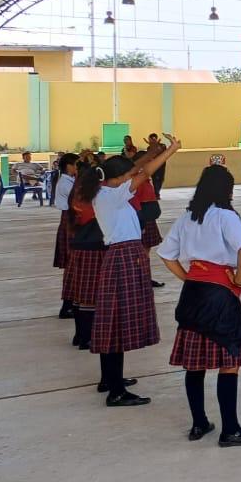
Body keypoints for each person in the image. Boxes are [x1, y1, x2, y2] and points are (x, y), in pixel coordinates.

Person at [157, 165, 241, 446]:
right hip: (220, 296)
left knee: (195, 364)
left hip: (193, 293)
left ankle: (199, 423)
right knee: (229, 362)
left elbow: (166, 255)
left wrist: (189, 278)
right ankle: (230, 429)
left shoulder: (187, 217)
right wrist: (239, 278)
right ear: (226, 190)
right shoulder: (226, 216)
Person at [78, 134, 182, 406]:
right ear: (119, 177)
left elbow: (138, 166)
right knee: (117, 323)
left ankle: (110, 380)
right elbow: (145, 170)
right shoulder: (111, 195)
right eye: (128, 173)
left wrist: (152, 151)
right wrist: (171, 150)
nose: (132, 175)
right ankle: (115, 391)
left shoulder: (107, 191)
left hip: (122, 256)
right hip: (124, 256)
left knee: (115, 322)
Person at [64, 173, 105, 350]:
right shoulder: (91, 202)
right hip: (92, 249)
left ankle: (79, 334)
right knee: (89, 297)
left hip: (79, 249)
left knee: (79, 295)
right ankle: (86, 337)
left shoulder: (77, 196)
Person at [52, 153, 80, 319]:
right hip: (70, 221)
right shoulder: (66, 183)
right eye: (76, 165)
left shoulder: (70, 181)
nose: (77, 168)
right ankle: (67, 305)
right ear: (69, 166)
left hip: (71, 221)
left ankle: (71, 303)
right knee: (72, 266)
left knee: (73, 266)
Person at [131, 152, 164, 288]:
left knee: (145, 251)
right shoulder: (136, 179)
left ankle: (144, 277)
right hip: (141, 218)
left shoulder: (145, 178)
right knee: (140, 251)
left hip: (147, 217)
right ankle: (140, 279)